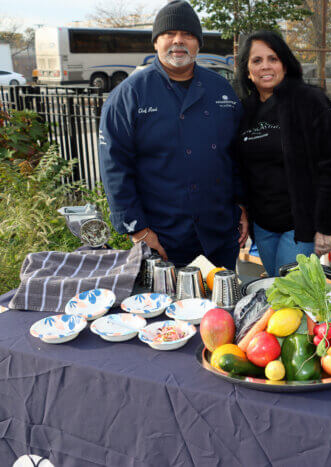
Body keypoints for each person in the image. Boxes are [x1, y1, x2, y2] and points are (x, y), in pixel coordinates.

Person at [98, 0, 247, 269]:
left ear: (198, 44)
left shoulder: (220, 89)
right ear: (156, 42)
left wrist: (242, 206)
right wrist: (139, 231)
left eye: (188, 35)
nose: (178, 41)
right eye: (169, 34)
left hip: (221, 234)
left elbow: (235, 157)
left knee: (223, 309)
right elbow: (114, 167)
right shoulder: (129, 94)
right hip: (163, 239)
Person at [234, 31, 331, 277]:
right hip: (263, 227)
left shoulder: (310, 102)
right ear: (247, 70)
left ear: (285, 65)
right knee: (277, 291)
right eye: (256, 61)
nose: (265, 66)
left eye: (272, 59)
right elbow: (241, 168)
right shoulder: (245, 111)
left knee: (289, 296)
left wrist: (327, 227)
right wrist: (242, 208)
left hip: (301, 227)